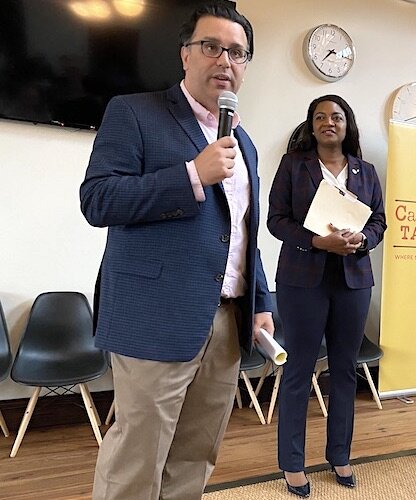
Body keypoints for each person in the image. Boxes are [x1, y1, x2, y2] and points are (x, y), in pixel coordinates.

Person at [79, 2, 273, 499]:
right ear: (186, 55)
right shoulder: (134, 112)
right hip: (155, 316)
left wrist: (261, 303)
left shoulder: (245, 143)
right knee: (137, 458)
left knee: (195, 455)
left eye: (236, 52)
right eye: (211, 47)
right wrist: (191, 174)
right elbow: (98, 199)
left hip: (227, 322)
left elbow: (243, 232)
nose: (224, 61)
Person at [267, 94, 386, 497]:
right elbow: (276, 221)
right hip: (303, 280)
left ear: (347, 124)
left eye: (336, 117)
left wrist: (363, 239)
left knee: (345, 370)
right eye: (320, 117)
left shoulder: (366, 172)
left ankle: (340, 455)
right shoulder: (293, 166)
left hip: (354, 280)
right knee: (300, 368)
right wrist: (317, 241)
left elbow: (379, 222)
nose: (328, 122)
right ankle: (293, 463)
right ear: (311, 125)